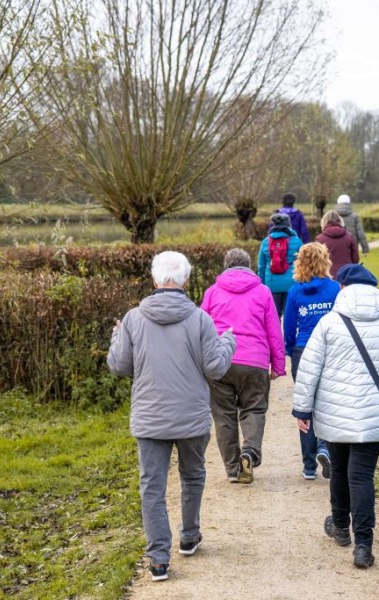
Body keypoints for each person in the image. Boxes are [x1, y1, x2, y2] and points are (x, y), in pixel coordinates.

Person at [107, 251, 236, 582]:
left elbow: (120, 366)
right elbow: (216, 368)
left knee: (152, 486)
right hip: (191, 417)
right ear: (186, 281)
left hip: (150, 419)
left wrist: (117, 336)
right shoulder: (200, 319)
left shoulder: (134, 319)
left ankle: (159, 559)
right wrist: (228, 343)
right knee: (192, 475)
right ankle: (189, 536)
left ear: (154, 280)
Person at [292, 263, 379, 569]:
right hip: (374, 414)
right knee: (361, 476)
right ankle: (363, 545)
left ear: (344, 288)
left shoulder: (329, 323)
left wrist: (302, 409)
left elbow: (309, 368)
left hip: (333, 413)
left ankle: (339, 527)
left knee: (338, 469)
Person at [201, 248, 286, 484]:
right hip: (255, 362)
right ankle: (249, 453)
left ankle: (232, 469)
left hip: (219, 361)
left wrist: (198, 363)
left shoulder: (211, 292)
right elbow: (273, 332)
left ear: (226, 265)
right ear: (248, 265)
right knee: (254, 409)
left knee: (223, 415)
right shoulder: (263, 291)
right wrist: (278, 365)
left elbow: (199, 329)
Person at [283, 242, 341, 480]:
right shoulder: (335, 289)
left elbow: (288, 326)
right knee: (328, 403)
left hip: (303, 350)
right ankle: (325, 448)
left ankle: (309, 466)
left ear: (301, 262)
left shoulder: (295, 291)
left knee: (305, 407)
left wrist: (290, 351)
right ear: (325, 261)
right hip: (329, 350)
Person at [257, 212, 303, 318]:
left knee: (273, 317)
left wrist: (263, 286)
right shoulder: (296, 241)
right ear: (289, 225)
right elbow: (303, 264)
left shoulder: (265, 242)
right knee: (290, 316)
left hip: (272, 284)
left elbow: (261, 267)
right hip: (291, 284)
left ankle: (276, 335)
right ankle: (288, 335)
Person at [316, 210, 359, 277]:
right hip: (347, 275)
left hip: (328, 276)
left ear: (324, 222)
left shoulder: (320, 239)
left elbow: (317, 261)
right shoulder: (349, 236)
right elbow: (355, 259)